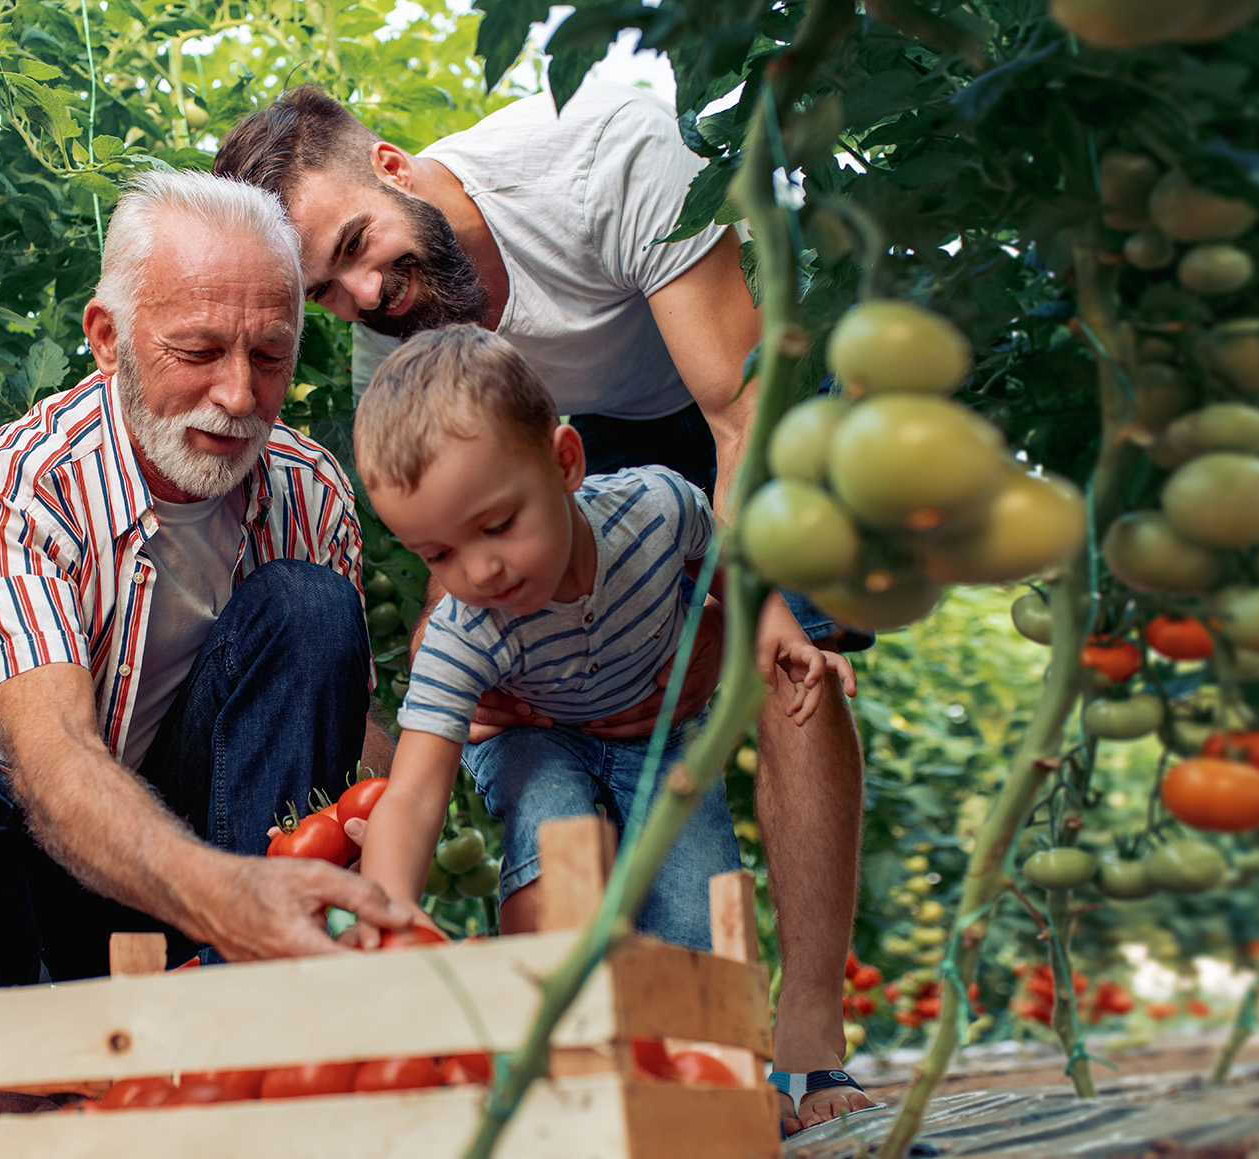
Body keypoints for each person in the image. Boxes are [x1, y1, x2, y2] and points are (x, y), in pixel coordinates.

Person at [215, 82, 872, 1131]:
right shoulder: (400, 331)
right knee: (528, 686)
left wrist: (747, 624)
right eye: (325, 293)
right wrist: (450, 708)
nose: (365, 293)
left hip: (730, 386)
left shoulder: (606, 158)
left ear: (389, 164)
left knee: (791, 659)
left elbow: (737, 421)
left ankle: (809, 1039)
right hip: (558, 442)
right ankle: (634, 1060)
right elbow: (452, 548)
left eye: (354, 245)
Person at [0, 171, 412, 1040]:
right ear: (108, 337)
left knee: (312, 608)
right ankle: (26, 1051)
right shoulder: (14, 488)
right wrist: (231, 896)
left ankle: (244, 1014)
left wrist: (409, 783)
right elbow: (54, 766)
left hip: (213, 869)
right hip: (27, 872)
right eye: (199, 352)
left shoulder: (308, 489)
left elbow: (338, 730)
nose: (240, 397)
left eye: (271, 355)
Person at [349, 325, 845, 953]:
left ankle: (701, 1044)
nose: (479, 571)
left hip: (654, 734)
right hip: (534, 735)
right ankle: (544, 1013)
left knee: (697, 919)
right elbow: (415, 796)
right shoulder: (463, 634)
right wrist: (387, 910)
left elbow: (728, 564)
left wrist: (780, 630)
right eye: (439, 553)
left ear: (565, 463)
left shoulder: (658, 508)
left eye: (498, 525)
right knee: (553, 829)